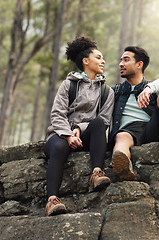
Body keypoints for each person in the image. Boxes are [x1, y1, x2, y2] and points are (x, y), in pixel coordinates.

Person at [44, 36, 114, 216]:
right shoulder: (69, 85)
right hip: (59, 135)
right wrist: (68, 135)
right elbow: (57, 114)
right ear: (85, 61)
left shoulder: (107, 91)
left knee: (98, 123)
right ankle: (52, 200)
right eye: (98, 57)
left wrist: (80, 128)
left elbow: (105, 119)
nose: (103, 61)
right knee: (59, 147)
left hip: (86, 137)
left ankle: (97, 173)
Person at [110, 46, 159, 180]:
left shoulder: (152, 87)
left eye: (126, 60)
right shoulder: (115, 91)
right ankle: (123, 167)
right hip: (128, 131)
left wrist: (149, 89)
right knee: (121, 137)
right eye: (121, 61)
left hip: (152, 128)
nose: (121, 64)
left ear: (139, 65)